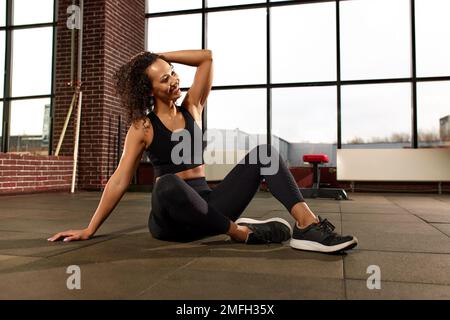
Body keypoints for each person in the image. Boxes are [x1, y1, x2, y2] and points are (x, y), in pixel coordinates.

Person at [48, 50, 358, 253]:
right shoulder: (143, 126)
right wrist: (90, 229)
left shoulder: (192, 107)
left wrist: (157, 57)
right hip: (170, 222)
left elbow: (206, 58)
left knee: (264, 152)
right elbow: (119, 180)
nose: (174, 80)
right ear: (148, 90)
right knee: (168, 183)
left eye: (172, 72)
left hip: (209, 205)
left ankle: (308, 226)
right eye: (164, 78)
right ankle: (237, 232)